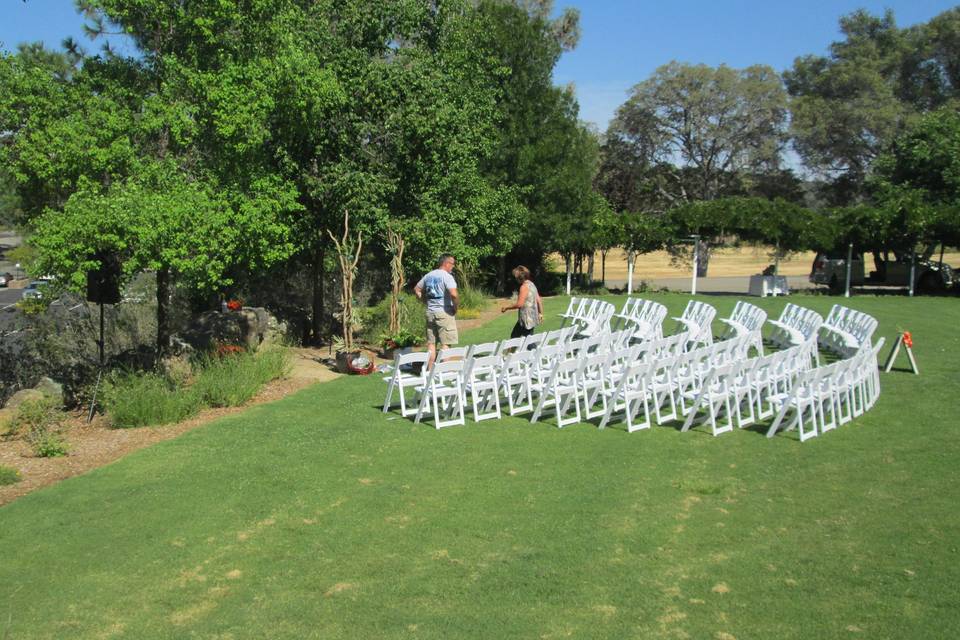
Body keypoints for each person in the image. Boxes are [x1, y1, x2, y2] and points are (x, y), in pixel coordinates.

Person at [414, 253, 459, 367]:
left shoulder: (429, 275)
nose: (453, 266)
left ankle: (430, 371)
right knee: (446, 343)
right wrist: (455, 308)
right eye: (452, 264)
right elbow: (454, 295)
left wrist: (425, 301)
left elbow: (417, 289)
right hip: (444, 312)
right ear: (446, 263)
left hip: (430, 312)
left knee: (431, 343)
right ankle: (445, 370)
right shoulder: (447, 276)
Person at [500, 265, 543, 338]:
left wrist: (507, 307)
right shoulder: (531, 284)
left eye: (515, 277)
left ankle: (538, 349)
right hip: (532, 317)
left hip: (526, 319)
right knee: (516, 336)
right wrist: (540, 313)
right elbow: (538, 300)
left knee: (527, 341)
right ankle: (514, 349)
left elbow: (519, 304)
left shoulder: (524, 287)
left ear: (519, 277)